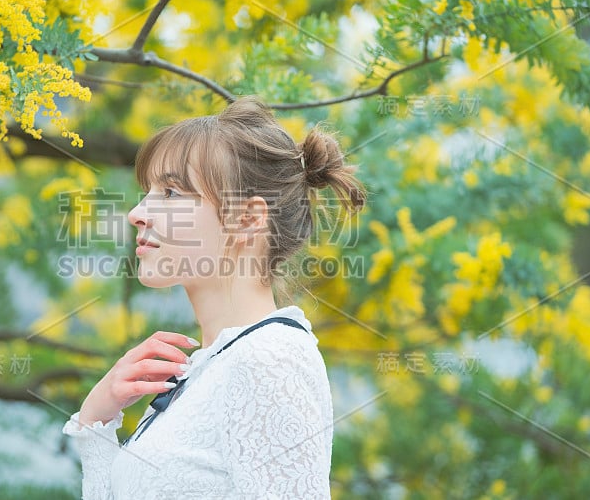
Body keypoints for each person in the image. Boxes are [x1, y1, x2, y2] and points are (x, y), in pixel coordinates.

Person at [62, 96, 367, 499]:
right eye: (148, 191)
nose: (138, 212)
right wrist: (96, 424)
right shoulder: (214, 365)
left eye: (170, 192)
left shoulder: (270, 359)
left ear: (248, 220)